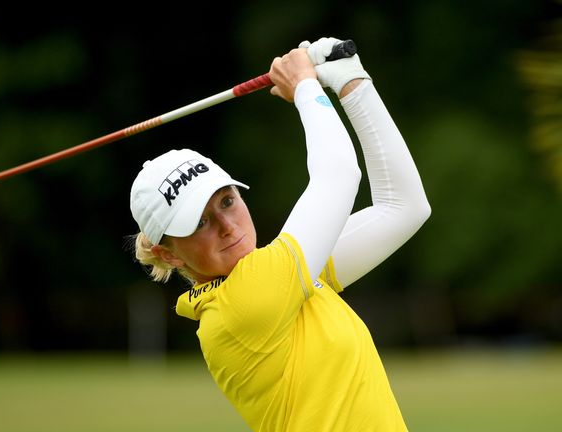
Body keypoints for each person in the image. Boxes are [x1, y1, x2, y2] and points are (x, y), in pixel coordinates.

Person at [128, 37, 431, 432]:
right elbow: (338, 174)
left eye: (226, 201)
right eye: (198, 222)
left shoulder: (287, 279)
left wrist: (352, 81)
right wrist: (304, 85)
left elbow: (404, 208)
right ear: (167, 253)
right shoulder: (245, 303)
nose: (226, 225)